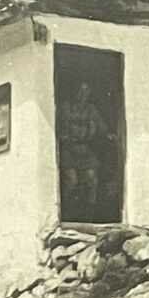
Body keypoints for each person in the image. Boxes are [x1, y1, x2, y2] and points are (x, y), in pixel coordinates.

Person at [58, 80, 108, 217]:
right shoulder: (66, 107)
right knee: (72, 180)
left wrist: (107, 133)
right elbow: (60, 126)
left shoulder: (91, 109)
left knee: (92, 179)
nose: (83, 95)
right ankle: (66, 212)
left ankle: (89, 214)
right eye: (80, 91)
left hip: (84, 149)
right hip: (69, 148)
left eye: (86, 91)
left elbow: (102, 126)